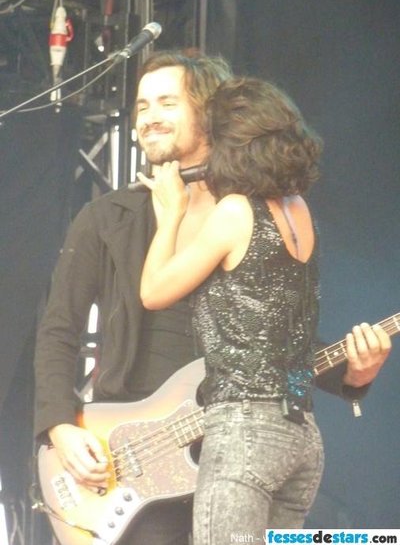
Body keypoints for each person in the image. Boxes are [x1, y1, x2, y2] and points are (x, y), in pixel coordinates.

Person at [34, 54, 390, 545]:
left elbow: (273, 343)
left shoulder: (248, 211)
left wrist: (353, 376)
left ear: (208, 113)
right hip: (132, 458)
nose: (149, 116)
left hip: (233, 448)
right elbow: (59, 329)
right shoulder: (107, 217)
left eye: (167, 102)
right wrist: (59, 425)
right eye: (141, 105)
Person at [138, 75, 392, 542]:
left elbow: (153, 291)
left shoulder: (236, 211)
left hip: (244, 431)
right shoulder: (298, 210)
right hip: (302, 434)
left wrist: (170, 211)